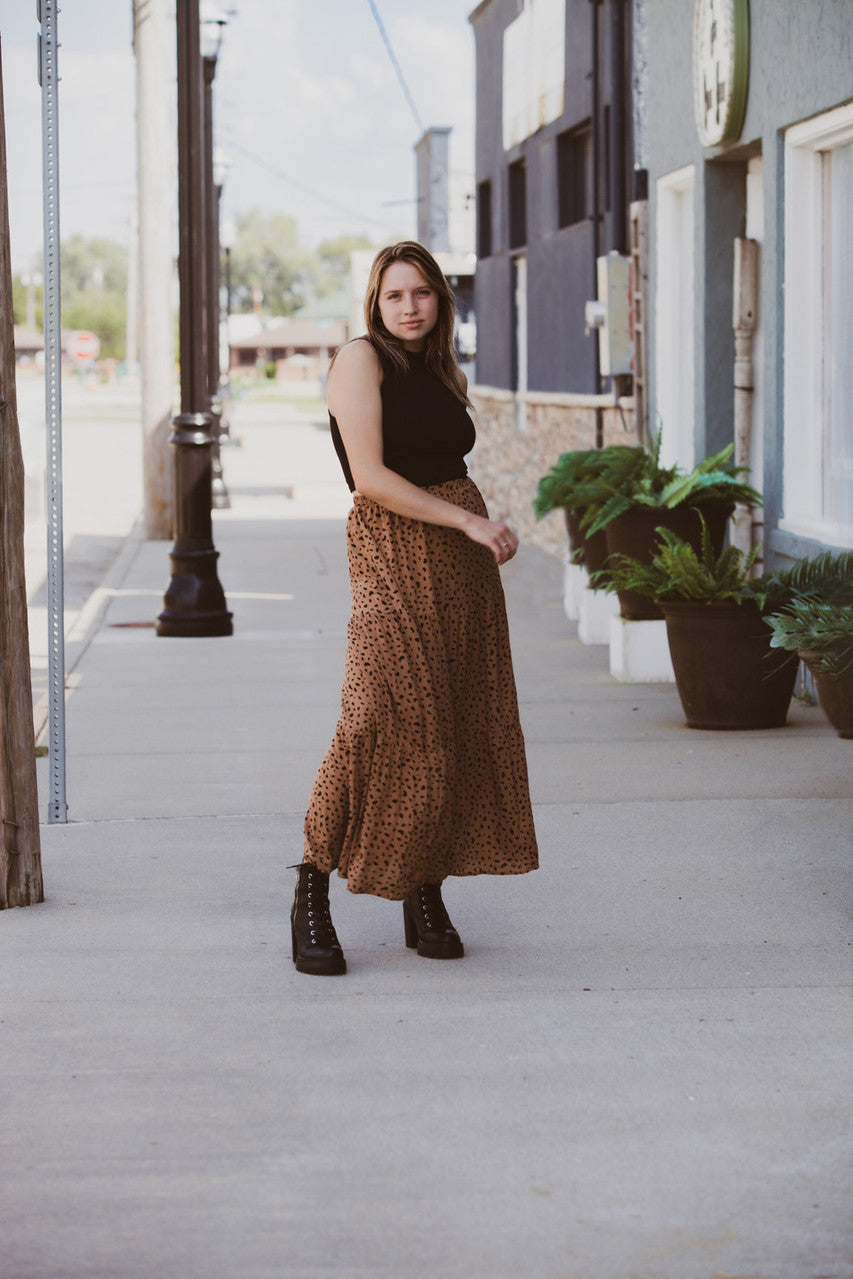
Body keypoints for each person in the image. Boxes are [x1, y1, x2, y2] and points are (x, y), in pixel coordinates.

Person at [291, 241, 538, 975]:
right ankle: (310, 888)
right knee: (372, 718)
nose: (410, 306)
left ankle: (425, 889)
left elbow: (447, 463)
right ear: (376, 302)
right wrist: (468, 521)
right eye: (395, 294)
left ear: (440, 301)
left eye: (422, 293)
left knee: (449, 721)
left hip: (459, 564)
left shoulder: (437, 367)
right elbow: (369, 476)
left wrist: (472, 526)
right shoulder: (359, 359)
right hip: (392, 549)